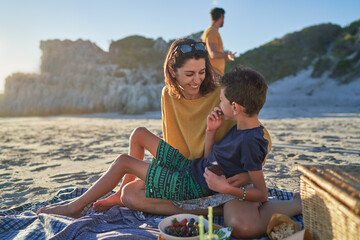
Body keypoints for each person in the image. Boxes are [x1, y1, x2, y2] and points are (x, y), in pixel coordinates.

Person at [37, 66, 272, 217]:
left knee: (123, 162)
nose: (218, 104)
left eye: (221, 100)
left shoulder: (251, 140)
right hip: (191, 168)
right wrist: (211, 132)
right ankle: (119, 195)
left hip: (190, 185)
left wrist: (226, 189)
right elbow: (210, 160)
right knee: (139, 133)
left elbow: (261, 193)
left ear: (236, 107)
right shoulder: (240, 129)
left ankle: (74, 207)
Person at [202, 7, 235, 77]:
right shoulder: (212, 31)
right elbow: (212, 54)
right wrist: (226, 54)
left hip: (214, 74)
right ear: (221, 16)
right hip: (214, 74)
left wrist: (226, 57)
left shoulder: (211, 31)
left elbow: (211, 55)